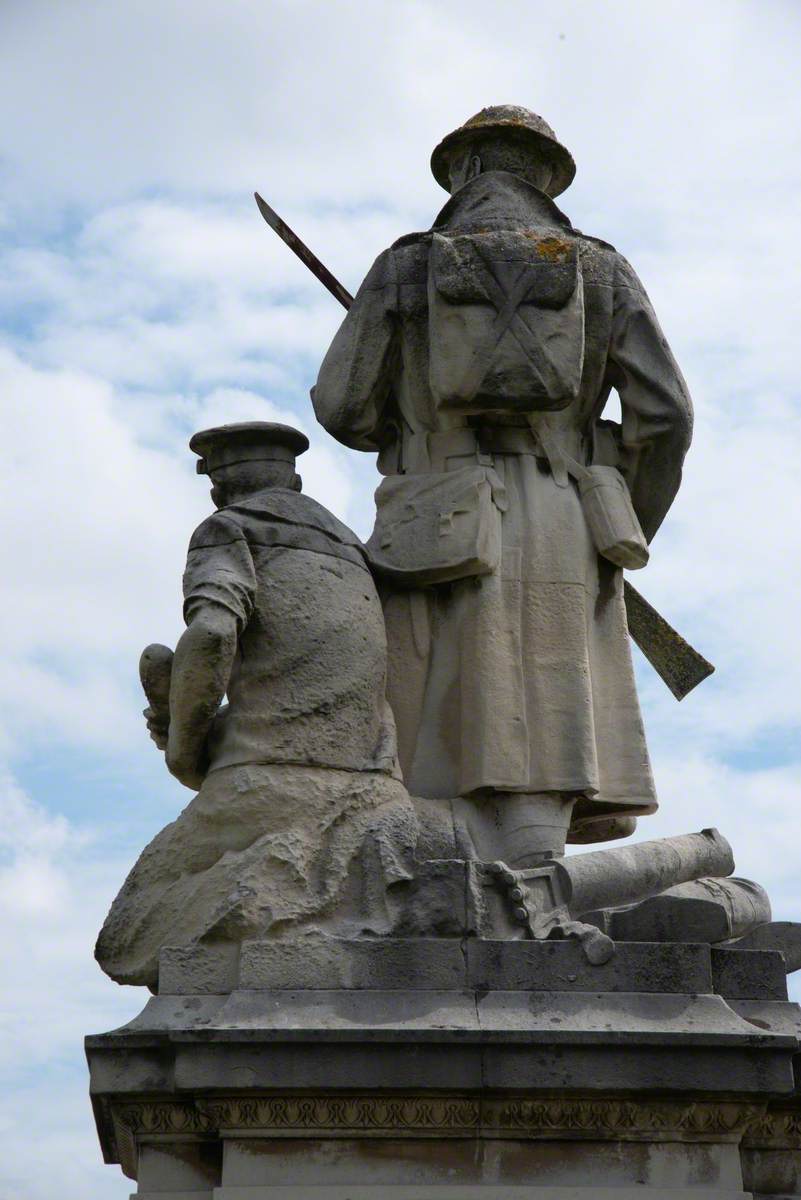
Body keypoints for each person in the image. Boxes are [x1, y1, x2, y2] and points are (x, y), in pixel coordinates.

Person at [312, 106, 693, 870]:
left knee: (431, 709)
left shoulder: (405, 264)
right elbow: (666, 413)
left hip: (433, 503)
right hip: (559, 513)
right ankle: (534, 875)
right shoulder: (599, 267)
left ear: (459, 170)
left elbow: (341, 405)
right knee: (545, 699)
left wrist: (407, 425)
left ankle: (448, 884)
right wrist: (618, 518)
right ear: (548, 176)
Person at [96, 422, 410, 987]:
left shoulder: (229, 529)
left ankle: (266, 895)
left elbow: (214, 634)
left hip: (272, 786)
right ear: (294, 479)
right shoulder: (351, 550)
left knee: (128, 931)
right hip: (380, 794)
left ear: (217, 486)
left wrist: (185, 750)